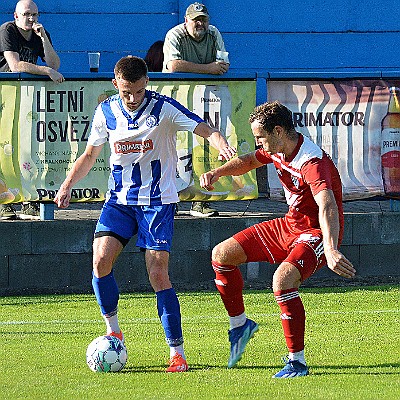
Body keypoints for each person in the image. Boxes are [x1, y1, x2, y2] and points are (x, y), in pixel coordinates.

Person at [54, 56, 236, 372]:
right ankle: (113, 330)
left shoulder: (163, 109)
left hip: (157, 203)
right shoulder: (106, 111)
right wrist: (68, 184)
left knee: (158, 274)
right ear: (115, 85)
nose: (133, 98)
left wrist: (221, 144)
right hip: (119, 202)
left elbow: (203, 128)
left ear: (146, 83)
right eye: (127, 92)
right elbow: (89, 155)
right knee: (100, 261)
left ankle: (176, 353)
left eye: (138, 91)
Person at [200, 101, 356, 378]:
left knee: (282, 280)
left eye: (260, 136)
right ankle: (240, 326)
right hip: (290, 225)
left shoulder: (311, 162)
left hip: (317, 231)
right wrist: (217, 172)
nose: (258, 141)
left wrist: (330, 249)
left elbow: (327, 206)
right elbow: (249, 160)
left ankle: (297, 362)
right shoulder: (277, 149)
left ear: (279, 131)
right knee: (221, 254)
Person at [163, 2, 230, 217]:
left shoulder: (214, 33)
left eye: (203, 19)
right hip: (176, 97)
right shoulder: (175, 34)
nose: (200, 23)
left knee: (205, 147)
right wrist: (208, 69)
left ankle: (200, 200)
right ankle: (169, 198)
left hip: (206, 97)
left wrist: (215, 69)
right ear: (186, 21)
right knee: (175, 147)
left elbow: (223, 63)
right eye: (195, 19)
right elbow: (173, 66)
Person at [0, 0, 64, 220]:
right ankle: (4, 202)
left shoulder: (39, 33)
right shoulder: (8, 30)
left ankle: (29, 200)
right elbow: (15, 65)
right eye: (27, 14)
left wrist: (44, 38)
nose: (32, 18)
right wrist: (45, 70)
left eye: (35, 14)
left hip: (25, 98)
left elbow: (55, 64)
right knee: (4, 149)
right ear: (16, 16)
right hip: (4, 95)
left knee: (27, 148)